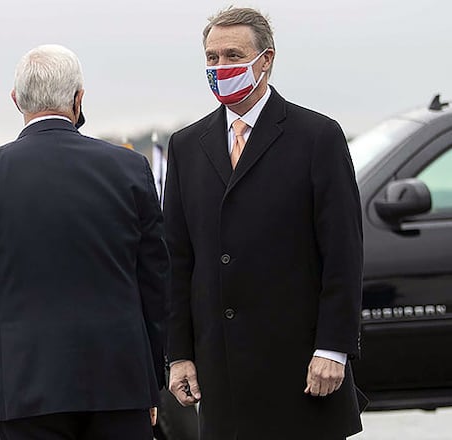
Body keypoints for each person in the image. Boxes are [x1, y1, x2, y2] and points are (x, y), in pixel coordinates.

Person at [0, 44, 169, 440]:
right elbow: (155, 283)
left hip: (23, 383)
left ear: (16, 101)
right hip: (119, 379)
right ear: (79, 98)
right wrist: (153, 379)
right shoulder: (130, 169)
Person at [163, 7, 365, 439]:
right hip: (222, 381)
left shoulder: (317, 137)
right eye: (212, 58)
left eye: (232, 55)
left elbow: (343, 254)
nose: (221, 67)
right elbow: (178, 261)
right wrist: (178, 354)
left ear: (266, 60)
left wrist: (334, 348)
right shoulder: (186, 147)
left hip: (301, 371)